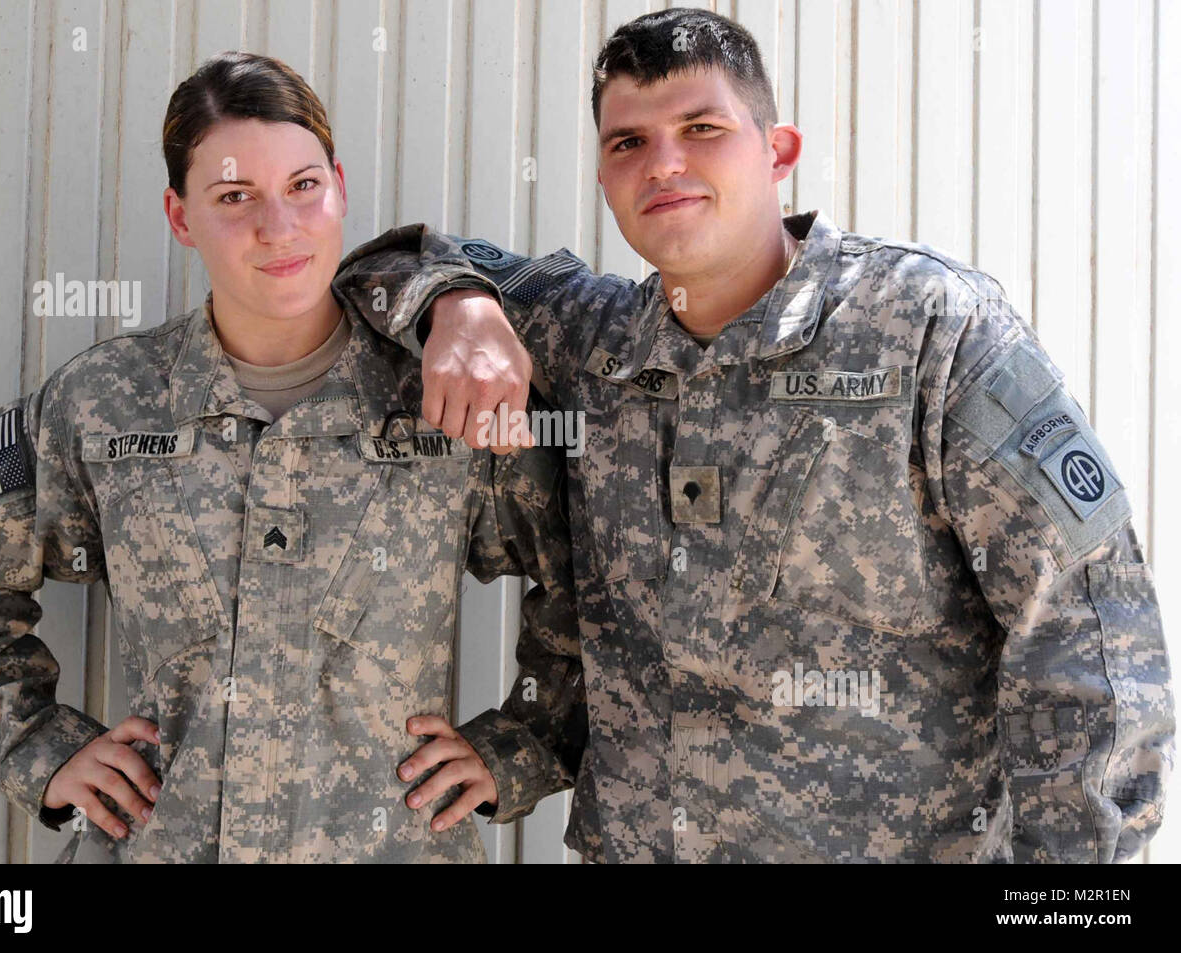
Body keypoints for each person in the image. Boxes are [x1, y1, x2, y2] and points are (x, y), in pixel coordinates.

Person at [354, 8, 1175, 862]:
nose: (663, 163)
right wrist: (462, 305)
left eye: (701, 128)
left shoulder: (926, 329)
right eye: (626, 143)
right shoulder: (590, 340)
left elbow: (1088, 637)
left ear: (777, 150)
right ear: (602, 175)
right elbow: (379, 265)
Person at [0, 51, 584, 863]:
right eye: (234, 197)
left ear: (339, 186)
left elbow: (597, 576)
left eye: (303, 186)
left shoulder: (441, 397)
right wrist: (44, 751)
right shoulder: (103, 403)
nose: (280, 227)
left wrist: (519, 745)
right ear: (180, 215)